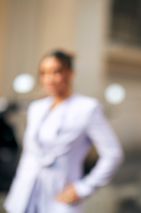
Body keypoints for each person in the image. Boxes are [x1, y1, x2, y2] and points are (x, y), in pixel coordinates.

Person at [4, 50, 124, 213]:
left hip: (59, 197)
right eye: (44, 73)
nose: (49, 79)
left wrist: (83, 188)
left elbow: (113, 154)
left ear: (70, 74)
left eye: (56, 72)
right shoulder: (36, 108)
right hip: (24, 196)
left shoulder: (87, 108)